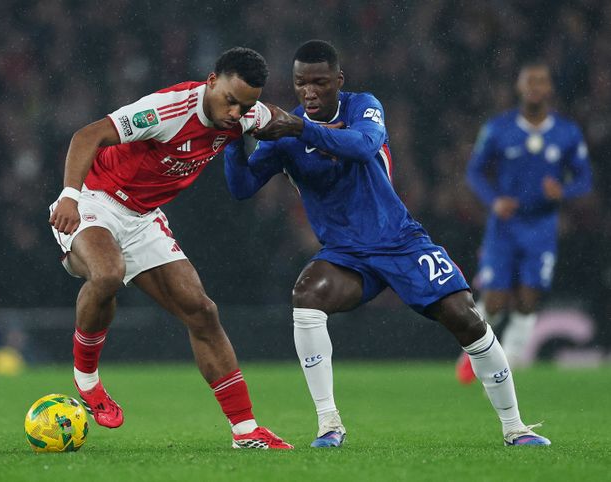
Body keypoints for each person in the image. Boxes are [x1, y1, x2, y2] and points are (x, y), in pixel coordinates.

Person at [224, 40, 550, 448]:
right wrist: (233, 139)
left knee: (465, 317)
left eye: (320, 82)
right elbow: (241, 187)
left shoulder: (362, 106)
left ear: (338, 81)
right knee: (306, 295)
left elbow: (362, 146)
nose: (309, 92)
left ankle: (515, 428)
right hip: (345, 255)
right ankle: (328, 424)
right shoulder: (284, 136)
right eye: (301, 83)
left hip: (400, 241)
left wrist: (299, 128)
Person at [48, 47, 292, 449]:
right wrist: (70, 196)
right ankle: (87, 379)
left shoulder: (245, 114)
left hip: (142, 217)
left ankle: (246, 430)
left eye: (244, 106)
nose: (235, 113)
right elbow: (87, 135)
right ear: (211, 81)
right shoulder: (168, 110)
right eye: (230, 100)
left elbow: (281, 119)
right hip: (94, 198)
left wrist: (329, 135)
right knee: (107, 273)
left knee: (202, 311)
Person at [456, 62, 592, 383]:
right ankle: (472, 354)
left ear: (549, 88)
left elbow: (585, 178)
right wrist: (494, 200)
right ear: (519, 87)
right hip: (504, 226)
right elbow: (475, 171)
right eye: (529, 81)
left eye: (540, 81)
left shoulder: (567, 132)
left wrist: (563, 191)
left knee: (529, 299)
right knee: (495, 300)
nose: (534, 87)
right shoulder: (499, 128)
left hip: (542, 227)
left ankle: (507, 366)